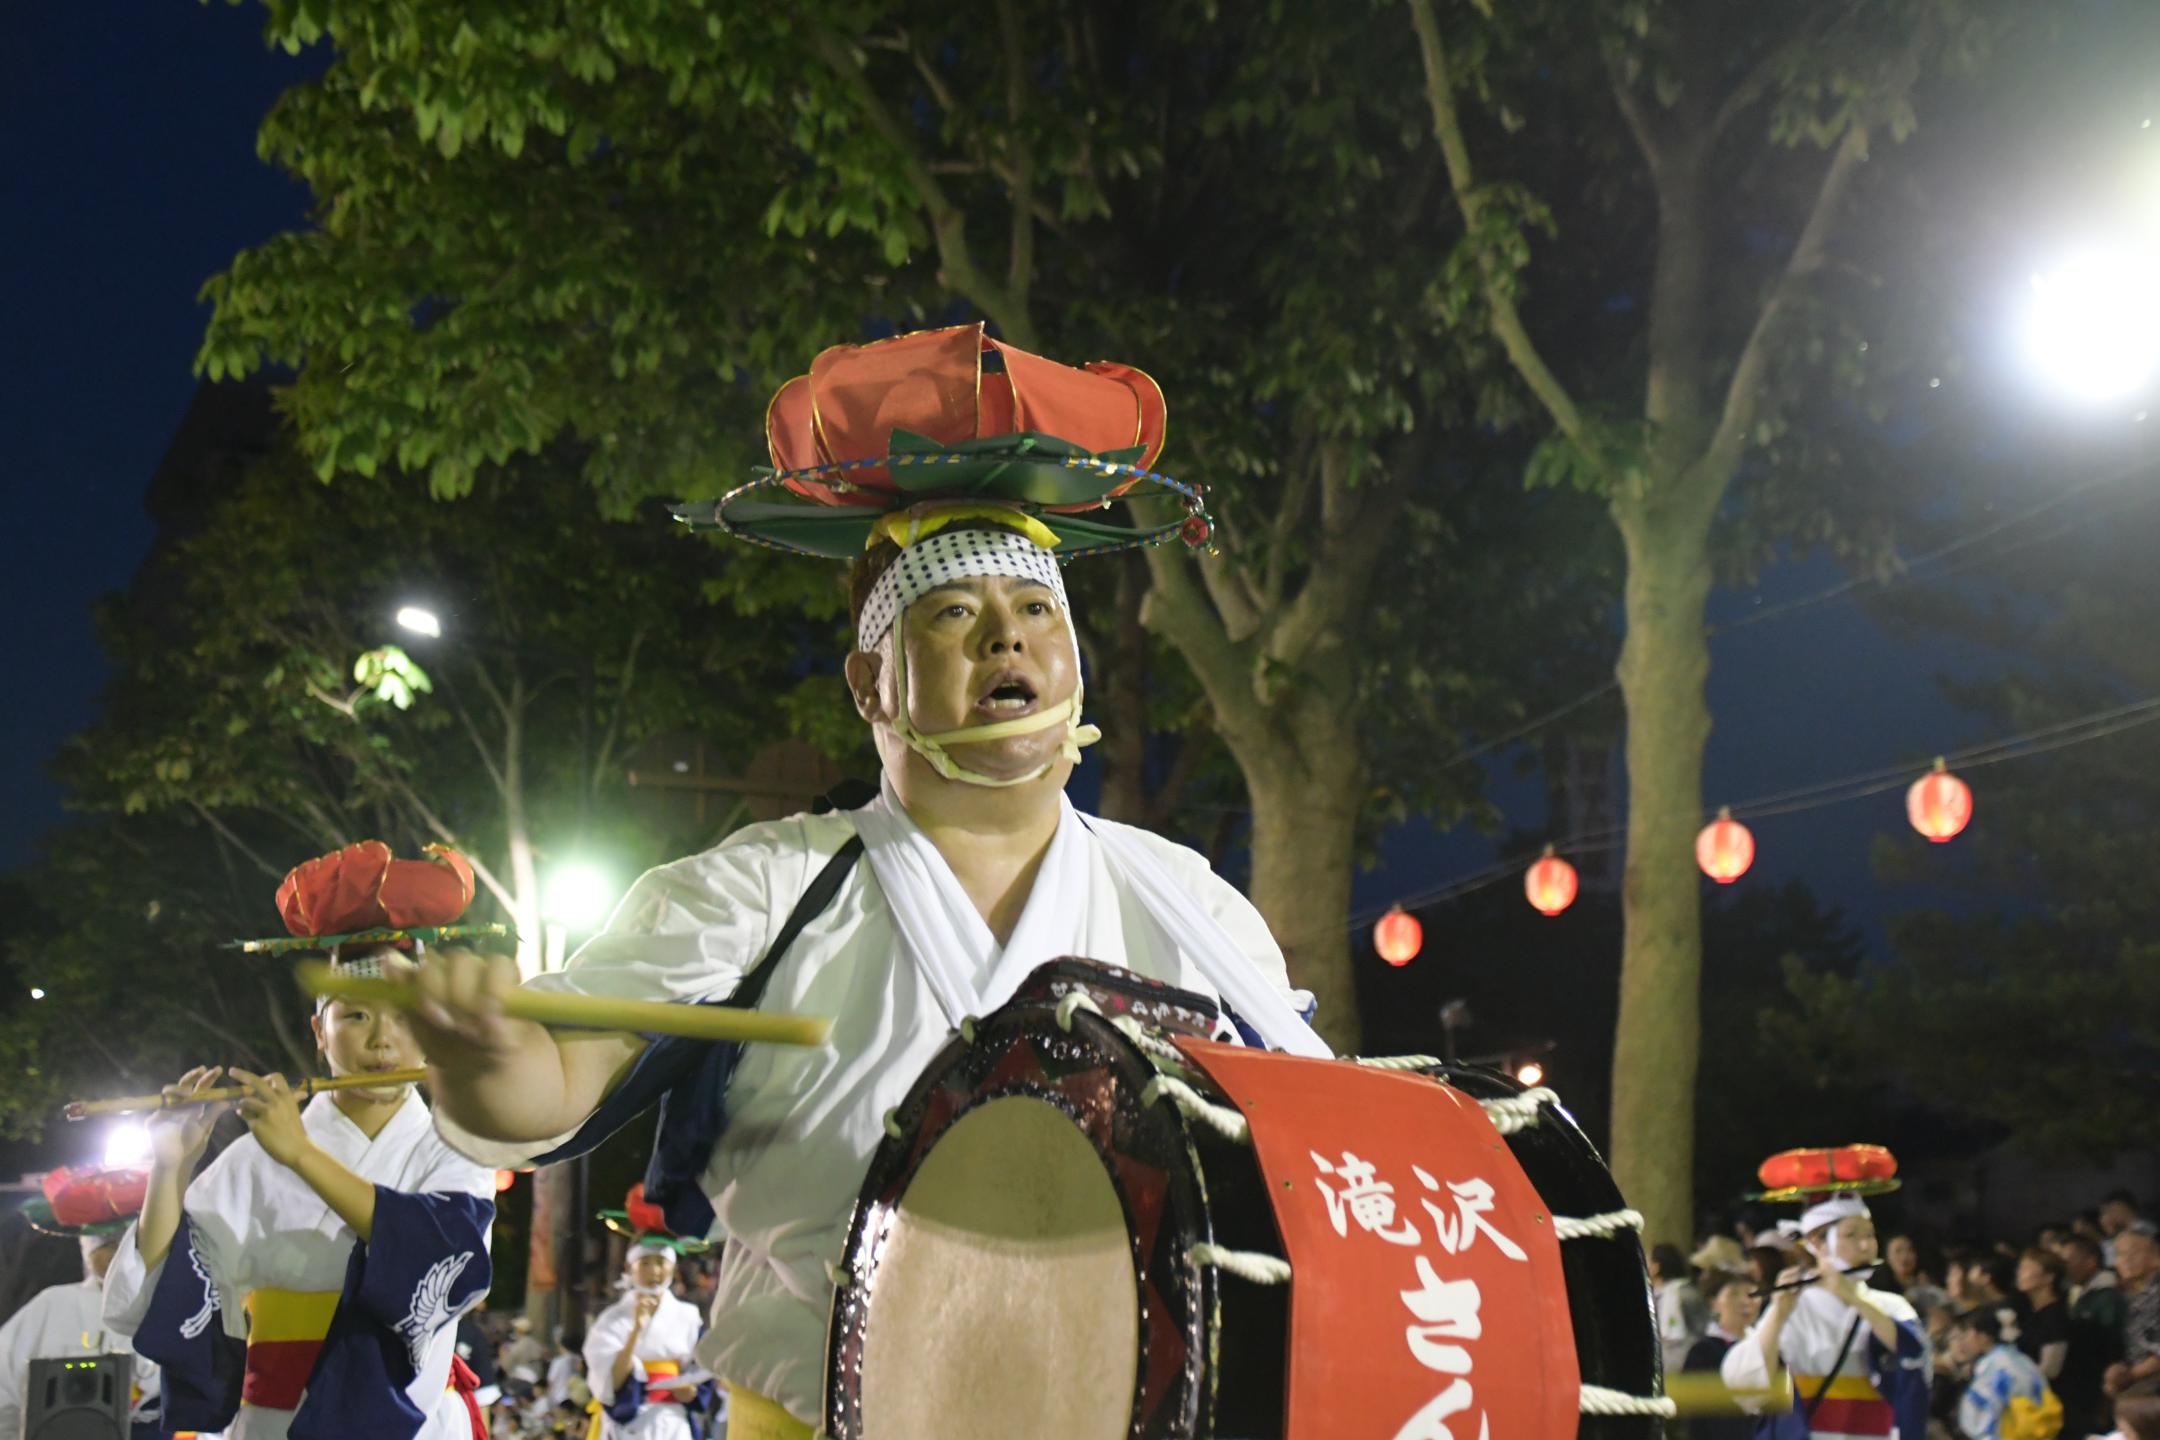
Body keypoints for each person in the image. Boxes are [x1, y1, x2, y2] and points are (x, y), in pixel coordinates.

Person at [401, 327, 1324, 1440]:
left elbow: (1307, 1149)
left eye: (1037, 613)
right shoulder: (765, 889)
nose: (1007, 642)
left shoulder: (1192, 905)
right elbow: (554, 1083)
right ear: (869, 683)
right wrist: (490, 1066)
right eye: (954, 616)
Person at [101, 841, 500, 1439]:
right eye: (356, 1017)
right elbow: (162, 1293)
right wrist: (169, 1169)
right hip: (274, 1422)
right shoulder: (261, 1151)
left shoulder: (454, 1142)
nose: (383, 1042)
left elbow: (445, 1260)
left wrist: (302, 1156)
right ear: (320, 1031)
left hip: (412, 1423)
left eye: (405, 1017)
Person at [1722, 1189, 1931, 1440]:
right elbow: (1748, 1387)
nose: (1865, 1245)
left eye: (1870, 1234)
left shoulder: (1890, 1306)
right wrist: (1778, 1314)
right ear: (1817, 1243)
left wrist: (1855, 1298)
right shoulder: (1793, 1305)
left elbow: (1916, 1354)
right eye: (1851, 1235)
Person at [0, 1164, 161, 1438]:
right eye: (105, 1243)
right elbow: (4, 1399)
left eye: (123, 1241)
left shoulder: (180, 1307)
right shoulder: (51, 1307)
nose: (115, 1255)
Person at [582, 1187, 713, 1439]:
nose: (654, 1271)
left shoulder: (689, 1316)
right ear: (630, 1269)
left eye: (661, 1262)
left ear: (672, 1268)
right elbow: (609, 1384)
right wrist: (636, 1331)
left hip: (674, 1423)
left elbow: (702, 1368)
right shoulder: (612, 1319)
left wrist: (692, 1392)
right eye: (646, 1263)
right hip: (630, 1423)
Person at [1949, 1307, 2058, 1440]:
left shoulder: (1994, 1368)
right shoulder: (2021, 1359)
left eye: (1968, 1335)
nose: (1964, 1342)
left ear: (1983, 1337)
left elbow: (1979, 1419)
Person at [2060, 1235, 2127, 1439]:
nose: (2064, 1267)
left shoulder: (2108, 1297)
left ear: (2090, 1261)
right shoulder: (2070, 1292)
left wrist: (2106, 1398)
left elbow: (2112, 1346)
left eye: (2068, 1260)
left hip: (2096, 1385)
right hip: (2074, 1385)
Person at [2104, 1228, 2160, 1401]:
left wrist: (2128, 1376)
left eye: (2133, 1253)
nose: (2126, 1260)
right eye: (2120, 1255)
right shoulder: (2133, 1296)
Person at [1657, 1242, 1713, 1374]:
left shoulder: (1685, 1294)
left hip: (1685, 1362)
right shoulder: (1658, 1293)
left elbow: (1702, 1329)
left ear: (1656, 1266)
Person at [2018, 1248, 2072, 1383]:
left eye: (2027, 1268)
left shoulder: (2055, 1316)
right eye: (2020, 1268)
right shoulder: (2030, 1314)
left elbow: (2050, 1369)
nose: (2019, 1273)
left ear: (2049, 1277)